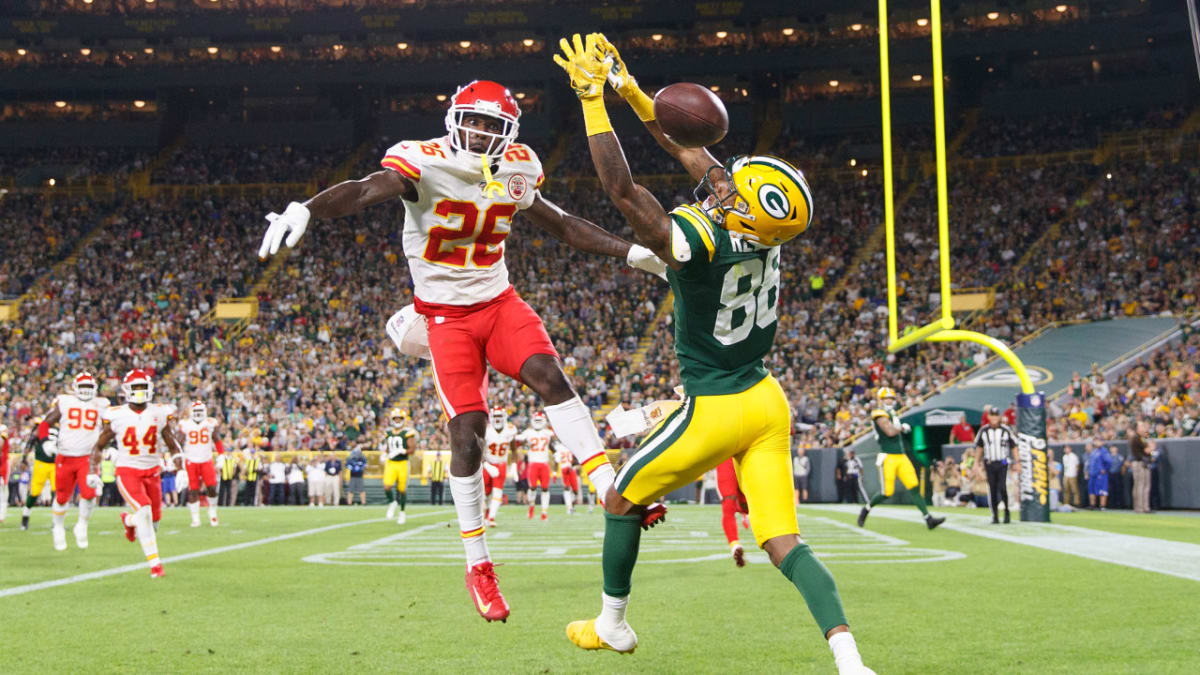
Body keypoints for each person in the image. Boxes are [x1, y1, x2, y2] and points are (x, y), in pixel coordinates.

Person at [257, 76, 667, 623]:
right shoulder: (421, 162)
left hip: (498, 302)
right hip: (444, 316)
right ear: (453, 121)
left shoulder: (518, 165)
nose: (478, 133)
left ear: (507, 134)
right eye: (471, 121)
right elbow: (362, 190)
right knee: (467, 431)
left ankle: (609, 488)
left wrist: (631, 251)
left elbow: (563, 225)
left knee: (551, 377)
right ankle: (478, 562)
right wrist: (309, 208)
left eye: (491, 126)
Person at [553, 33, 870, 672]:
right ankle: (850, 660)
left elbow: (623, 192)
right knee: (784, 542)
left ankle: (612, 624)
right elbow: (690, 148)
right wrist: (634, 91)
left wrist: (593, 103)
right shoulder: (764, 233)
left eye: (733, 193)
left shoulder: (700, 241)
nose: (721, 186)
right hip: (766, 401)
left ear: (742, 214)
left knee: (620, 498)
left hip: (717, 405)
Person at [91, 369, 182, 579]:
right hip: (127, 470)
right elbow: (98, 446)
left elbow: (172, 443)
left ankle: (129, 521)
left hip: (152, 472)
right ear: (127, 390)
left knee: (153, 521)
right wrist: (92, 470)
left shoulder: (159, 413)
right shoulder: (116, 414)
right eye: (136, 387)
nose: (140, 392)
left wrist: (181, 468)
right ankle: (156, 566)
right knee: (145, 511)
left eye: (143, 387)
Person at [39, 372, 109, 550]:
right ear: (75, 388)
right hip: (65, 455)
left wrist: (109, 447)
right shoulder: (65, 402)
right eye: (82, 387)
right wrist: (45, 441)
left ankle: (82, 525)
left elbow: (111, 428)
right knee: (62, 497)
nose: (85, 391)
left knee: (89, 493)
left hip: (88, 457)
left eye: (88, 387)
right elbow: (44, 424)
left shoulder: (102, 405)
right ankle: (59, 527)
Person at [858, 387, 944, 530]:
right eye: (887, 398)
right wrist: (902, 428)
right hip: (888, 457)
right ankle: (866, 509)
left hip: (901, 456)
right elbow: (890, 431)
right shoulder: (878, 413)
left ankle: (928, 518)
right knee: (887, 492)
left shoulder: (891, 413)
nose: (890, 401)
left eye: (891, 398)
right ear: (881, 400)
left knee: (913, 486)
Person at [973, 404, 1019, 524]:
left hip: (1002, 462)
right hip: (989, 463)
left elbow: (1014, 446)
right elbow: (979, 448)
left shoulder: (1005, 430)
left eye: (996, 416)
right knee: (992, 489)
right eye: (992, 416)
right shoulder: (984, 430)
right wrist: (976, 464)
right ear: (988, 417)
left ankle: (1007, 511)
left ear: (999, 417)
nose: (994, 418)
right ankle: (995, 515)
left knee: (1002, 487)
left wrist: (1017, 461)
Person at [178, 400, 221, 526]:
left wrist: (221, 455)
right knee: (193, 490)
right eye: (195, 411)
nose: (197, 414)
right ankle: (195, 518)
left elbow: (217, 439)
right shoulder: (185, 424)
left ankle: (212, 513)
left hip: (206, 459)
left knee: (212, 487)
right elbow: (178, 442)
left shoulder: (209, 423)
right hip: (191, 460)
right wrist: (177, 460)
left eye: (200, 411)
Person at [517, 411, 555, 520]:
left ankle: (544, 513)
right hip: (533, 463)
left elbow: (553, 444)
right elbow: (518, 440)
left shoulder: (547, 432)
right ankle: (531, 507)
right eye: (536, 420)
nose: (538, 422)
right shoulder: (528, 432)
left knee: (545, 488)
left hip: (544, 463)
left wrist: (555, 452)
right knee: (532, 487)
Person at [381, 408, 417, 523]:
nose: (397, 420)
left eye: (399, 418)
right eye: (395, 418)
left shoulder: (407, 432)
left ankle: (402, 512)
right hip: (391, 463)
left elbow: (412, 449)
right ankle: (392, 502)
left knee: (402, 490)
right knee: (387, 486)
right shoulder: (388, 432)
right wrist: (385, 454)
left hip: (402, 463)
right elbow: (388, 448)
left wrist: (403, 451)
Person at [22, 415, 56, 531]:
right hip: (41, 462)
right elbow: (30, 442)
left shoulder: (63, 426)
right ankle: (25, 517)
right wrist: (24, 458)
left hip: (56, 464)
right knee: (35, 492)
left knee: (57, 492)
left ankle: (57, 521)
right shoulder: (41, 426)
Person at [483, 407, 516, 526]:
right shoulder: (486, 430)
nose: (497, 419)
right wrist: (486, 464)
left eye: (499, 417)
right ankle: (487, 513)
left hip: (501, 464)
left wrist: (514, 466)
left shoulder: (510, 430)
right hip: (488, 463)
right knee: (486, 493)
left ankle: (491, 518)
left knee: (497, 492)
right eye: (495, 417)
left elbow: (514, 449)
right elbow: (480, 450)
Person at [716, 458, 751, 567]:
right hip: (726, 457)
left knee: (748, 503)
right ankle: (734, 544)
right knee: (728, 503)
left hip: (745, 455)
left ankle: (744, 514)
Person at [554, 440, 580, 515]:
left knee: (575, 491)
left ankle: (571, 507)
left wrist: (573, 466)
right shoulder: (559, 448)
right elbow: (556, 462)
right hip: (564, 469)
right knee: (567, 488)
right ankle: (569, 508)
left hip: (572, 470)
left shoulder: (571, 447)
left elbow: (575, 460)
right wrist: (555, 474)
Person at [1085, 440, 1111, 510]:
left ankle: (1102, 506)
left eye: (1099, 441)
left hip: (1100, 474)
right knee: (1091, 489)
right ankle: (1092, 505)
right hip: (1093, 474)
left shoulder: (1104, 451)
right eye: (1096, 441)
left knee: (1102, 490)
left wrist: (1105, 469)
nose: (1097, 442)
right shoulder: (1093, 451)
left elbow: (1109, 461)